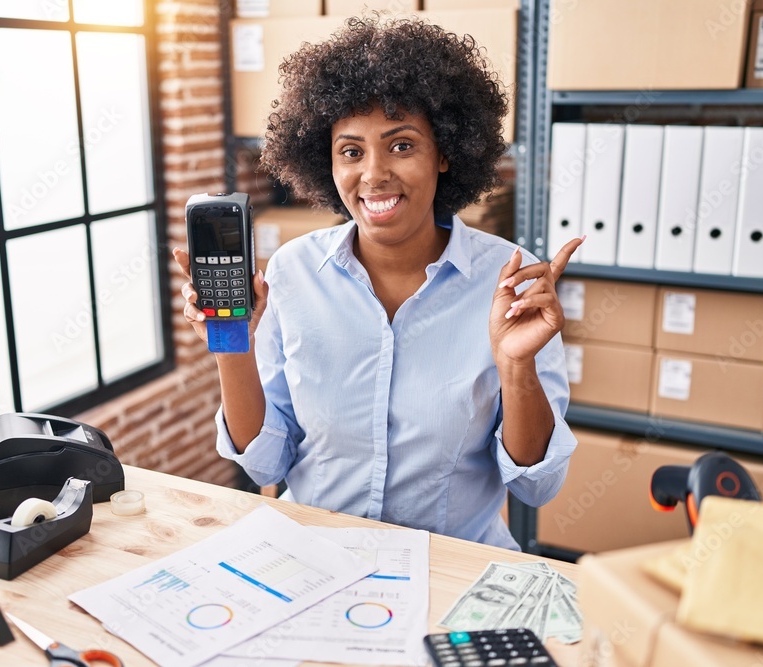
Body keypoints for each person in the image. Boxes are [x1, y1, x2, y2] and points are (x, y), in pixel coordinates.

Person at [173, 14, 582, 550]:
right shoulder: (292, 273)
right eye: (351, 151)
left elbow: (535, 484)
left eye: (402, 145)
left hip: (450, 565)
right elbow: (267, 461)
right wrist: (234, 347)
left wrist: (516, 366)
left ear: (446, 154)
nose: (373, 174)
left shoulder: (509, 280)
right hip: (315, 558)